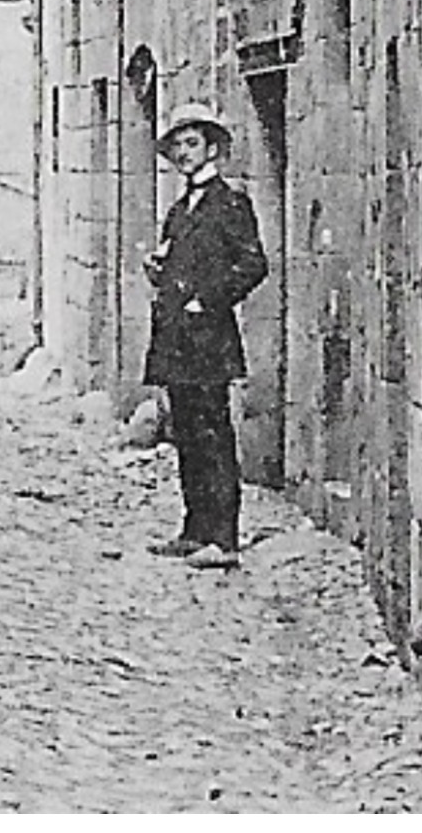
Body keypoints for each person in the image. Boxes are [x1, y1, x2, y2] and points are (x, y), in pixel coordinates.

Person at [141, 103, 268, 571]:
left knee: (214, 434)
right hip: (178, 338)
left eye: (191, 143)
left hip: (209, 337)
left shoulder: (230, 203)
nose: (183, 152)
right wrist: (158, 269)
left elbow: (253, 264)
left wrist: (209, 300)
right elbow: (177, 260)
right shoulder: (178, 211)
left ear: (211, 147)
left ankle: (224, 538)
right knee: (187, 434)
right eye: (176, 146)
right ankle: (194, 530)